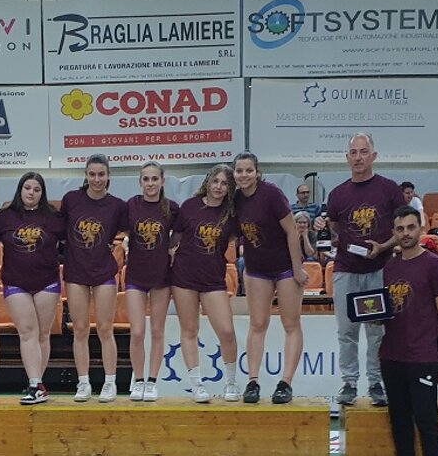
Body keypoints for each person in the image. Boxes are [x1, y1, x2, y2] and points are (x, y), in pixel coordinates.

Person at [375, 206, 438, 456]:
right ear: (393, 233)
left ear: (420, 229)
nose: (405, 233)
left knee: (426, 420)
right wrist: (374, 315)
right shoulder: (390, 267)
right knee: (399, 418)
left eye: (410, 227)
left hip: (422, 357)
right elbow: (389, 309)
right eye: (400, 229)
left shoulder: (434, 266)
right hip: (391, 355)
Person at [320, 132, 405, 407]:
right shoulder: (337, 194)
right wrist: (323, 230)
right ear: (347, 158)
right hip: (346, 271)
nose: (358, 157)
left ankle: (376, 382)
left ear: (374, 156)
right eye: (354, 153)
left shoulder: (389, 189)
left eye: (363, 152)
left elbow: (403, 229)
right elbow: (335, 232)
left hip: (377, 270)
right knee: (346, 331)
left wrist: (384, 246)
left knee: (375, 331)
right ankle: (349, 382)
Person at [233, 152, 308, 404]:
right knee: (257, 323)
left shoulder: (272, 194)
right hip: (257, 269)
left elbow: (291, 231)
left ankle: (285, 383)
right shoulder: (235, 199)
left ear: (257, 172)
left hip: (284, 268)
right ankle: (252, 382)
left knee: (291, 323)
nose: (244, 175)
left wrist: (297, 268)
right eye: (239, 171)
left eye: (249, 170)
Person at [171, 164, 240, 403]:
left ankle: (231, 382)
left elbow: (237, 237)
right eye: (215, 181)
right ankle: (197, 384)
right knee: (190, 330)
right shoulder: (190, 206)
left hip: (213, 279)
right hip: (184, 277)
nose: (219, 187)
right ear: (207, 182)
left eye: (224, 183)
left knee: (227, 331)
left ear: (230, 188)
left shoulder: (231, 214)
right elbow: (175, 237)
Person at [0, 172, 65, 405]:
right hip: (16, 282)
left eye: (36, 189)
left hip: (47, 282)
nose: (31, 193)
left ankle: (37, 384)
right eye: (27, 188)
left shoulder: (53, 218)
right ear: (20, 190)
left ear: (42, 193)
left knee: (43, 334)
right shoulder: (5, 217)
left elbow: (70, 244)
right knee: (27, 331)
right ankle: (35, 384)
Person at [62, 154, 126, 403]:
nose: (96, 179)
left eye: (101, 174)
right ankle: (83, 382)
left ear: (108, 175)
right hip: (76, 272)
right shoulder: (71, 199)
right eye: (92, 174)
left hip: (103, 272)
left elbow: (130, 230)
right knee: (80, 329)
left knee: (105, 328)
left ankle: (110, 382)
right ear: (86, 175)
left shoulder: (117, 205)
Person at [124, 161, 179, 402]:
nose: (150, 183)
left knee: (157, 330)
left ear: (162, 181)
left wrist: (172, 249)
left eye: (154, 179)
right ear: (140, 182)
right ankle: (138, 380)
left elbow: (178, 235)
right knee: (137, 331)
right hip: (135, 276)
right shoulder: (132, 205)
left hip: (161, 277)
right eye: (146, 179)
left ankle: (153, 381)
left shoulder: (171, 208)